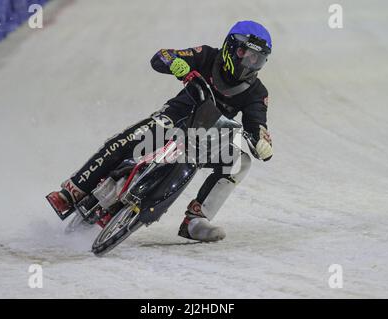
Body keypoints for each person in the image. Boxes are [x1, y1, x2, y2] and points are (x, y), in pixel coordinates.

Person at [46, 20, 273, 242]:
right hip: (173, 120)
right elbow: (162, 56)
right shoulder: (206, 55)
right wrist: (174, 63)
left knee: (240, 162)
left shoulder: (257, 92)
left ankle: (196, 219)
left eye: (257, 59)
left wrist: (262, 143)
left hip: (205, 141)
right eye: (246, 54)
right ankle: (73, 190)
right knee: (130, 138)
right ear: (230, 48)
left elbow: (257, 125)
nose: (249, 64)